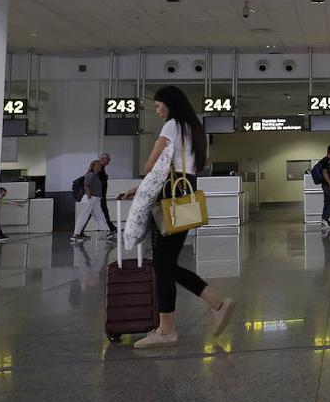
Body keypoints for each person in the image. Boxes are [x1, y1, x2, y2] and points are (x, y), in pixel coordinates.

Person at [123, 85, 235, 349]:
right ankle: (177, 322)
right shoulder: (194, 129)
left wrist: (144, 183)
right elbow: (177, 168)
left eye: (159, 106)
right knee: (164, 263)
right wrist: (140, 188)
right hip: (186, 191)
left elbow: (151, 166)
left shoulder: (172, 126)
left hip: (168, 195)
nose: (158, 111)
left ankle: (185, 319)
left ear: (169, 103)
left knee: (163, 263)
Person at [71, 159, 112, 243]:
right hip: (90, 199)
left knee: (99, 216)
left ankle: (107, 231)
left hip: (95, 199)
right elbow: (86, 184)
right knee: (84, 216)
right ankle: (75, 235)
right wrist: (89, 193)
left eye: (99, 165)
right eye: (96, 165)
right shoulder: (91, 175)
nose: (99, 167)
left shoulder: (95, 175)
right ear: (93, 167)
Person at [97, 153, 115, 239]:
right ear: (103, 159)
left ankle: (111, 228)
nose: (108, 163)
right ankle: (111, 228)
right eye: (107, 161)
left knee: (103, 212)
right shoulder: (98, 168)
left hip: (100, 195)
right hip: (98, 196)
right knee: (103, 212)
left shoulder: (101, 168)